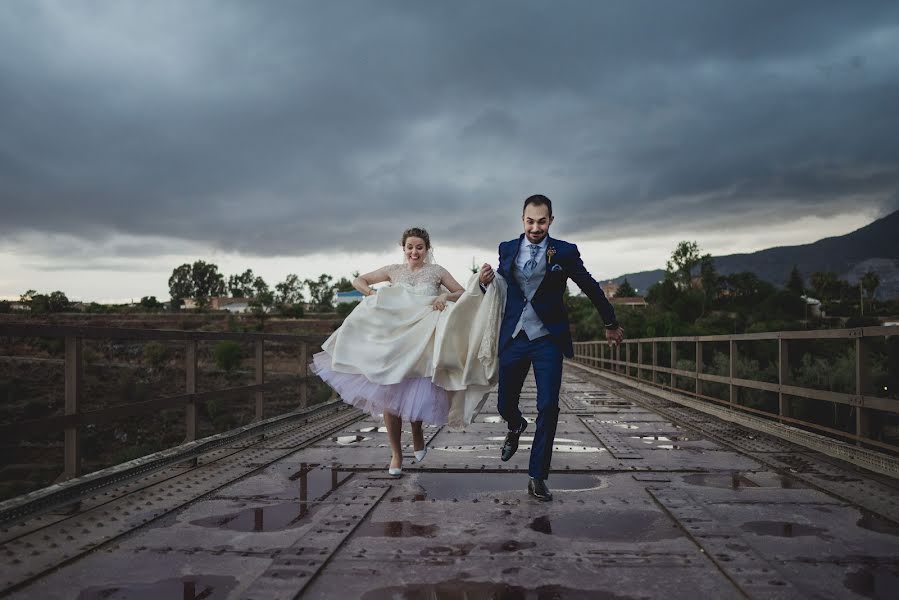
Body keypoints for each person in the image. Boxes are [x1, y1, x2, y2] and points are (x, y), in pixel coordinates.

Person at [478, 194, 624, 501]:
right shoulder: (507, 248)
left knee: (548, 406)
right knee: (504, 404)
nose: (535, 227)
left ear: (551, 221)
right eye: (530, 221)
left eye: (541, 221)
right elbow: (500, 289)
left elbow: (590, 286)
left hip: (547, 340)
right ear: (522, 220)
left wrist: (610, 323)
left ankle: (537, 476)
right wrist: (483, 282)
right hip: (515, 337)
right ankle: (515, 425)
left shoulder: (565, 252)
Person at [312, 227, 467, 476]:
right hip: (393, 341)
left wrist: (445, 298)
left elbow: (462, 292)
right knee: (390, 395)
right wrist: (372, 295)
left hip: (422, 340)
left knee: (417, 391)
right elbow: (358, 280)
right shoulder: (393, 270)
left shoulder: (437, 272)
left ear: (427, 249)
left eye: (419, 247)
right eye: (410, 247)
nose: (414, 251)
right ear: (403, 248)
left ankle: (417, 432)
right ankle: (396, 453)